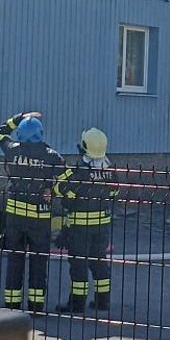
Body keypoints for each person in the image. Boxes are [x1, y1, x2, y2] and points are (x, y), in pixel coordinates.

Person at [0, 110, 64, 315]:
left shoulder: (12, 150)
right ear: (41, 133)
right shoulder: (50, 155)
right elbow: (67, 176)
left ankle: (11, 305)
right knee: (38, 261)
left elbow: (1, 132)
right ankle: (36, 306)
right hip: (39, 218)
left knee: (15, 260)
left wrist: (19, 117)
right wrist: (51, 190)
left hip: (15, 216)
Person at [59, 128, 118, 316]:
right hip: (102, 226)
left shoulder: (80, 171)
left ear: (84, 146)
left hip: (80, 228)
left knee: (79, 266)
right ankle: (103, 302)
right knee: (99, 262)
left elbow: (67, 196)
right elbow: (114, 192)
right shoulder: (109, 170)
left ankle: (76, 305)